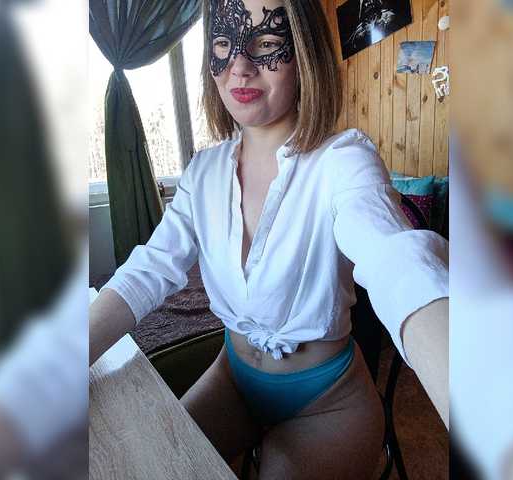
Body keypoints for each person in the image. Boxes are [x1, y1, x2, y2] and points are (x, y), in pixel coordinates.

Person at [90, 0, 449, 477]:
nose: (239, 66)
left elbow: (396, 261)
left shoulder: (344, 161)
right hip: (234, 380)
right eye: (224, 43)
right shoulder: (202, 173)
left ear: (305, 54)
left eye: (264, 42)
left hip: (328, 402)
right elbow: (149, 269)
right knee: (161, 466)